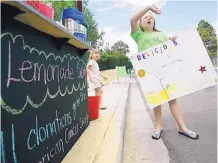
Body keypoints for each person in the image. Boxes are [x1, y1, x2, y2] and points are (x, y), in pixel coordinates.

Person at [130, 4, 199, 140]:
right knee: (157, 100)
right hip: (149, 73)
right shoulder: (138, 35)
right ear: (140, 23)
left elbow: (169, 50)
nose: (149, 18)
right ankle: (158, 126)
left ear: (154, 22)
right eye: (145, 17)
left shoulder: (161, 34)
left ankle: (182, 127)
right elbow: (132, 19)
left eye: (151, 17)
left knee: (173, 99)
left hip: (165, 71)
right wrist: (149, 7)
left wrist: (173, 41)